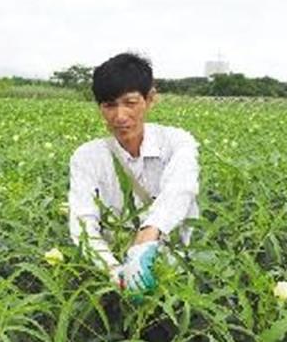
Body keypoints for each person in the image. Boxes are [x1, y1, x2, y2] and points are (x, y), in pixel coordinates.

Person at [68, 53, 199, 295]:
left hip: (172, 275)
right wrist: (113, 271)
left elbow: (181, 189)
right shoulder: (87, 157)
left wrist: (148, 235)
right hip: (112, 276)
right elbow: (82, 222)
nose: (120, 116)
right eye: (109, 105)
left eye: (130, 103)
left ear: (150, 99)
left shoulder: (176, 142)